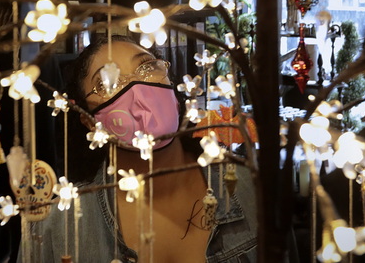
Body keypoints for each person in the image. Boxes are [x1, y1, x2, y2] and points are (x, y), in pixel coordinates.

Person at [19, 35, 259, 262]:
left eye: (147, 67)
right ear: (88, 120)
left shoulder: (253, 189)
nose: (136, 85)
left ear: (172, 87)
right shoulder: (57, 226)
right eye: (107, 81)